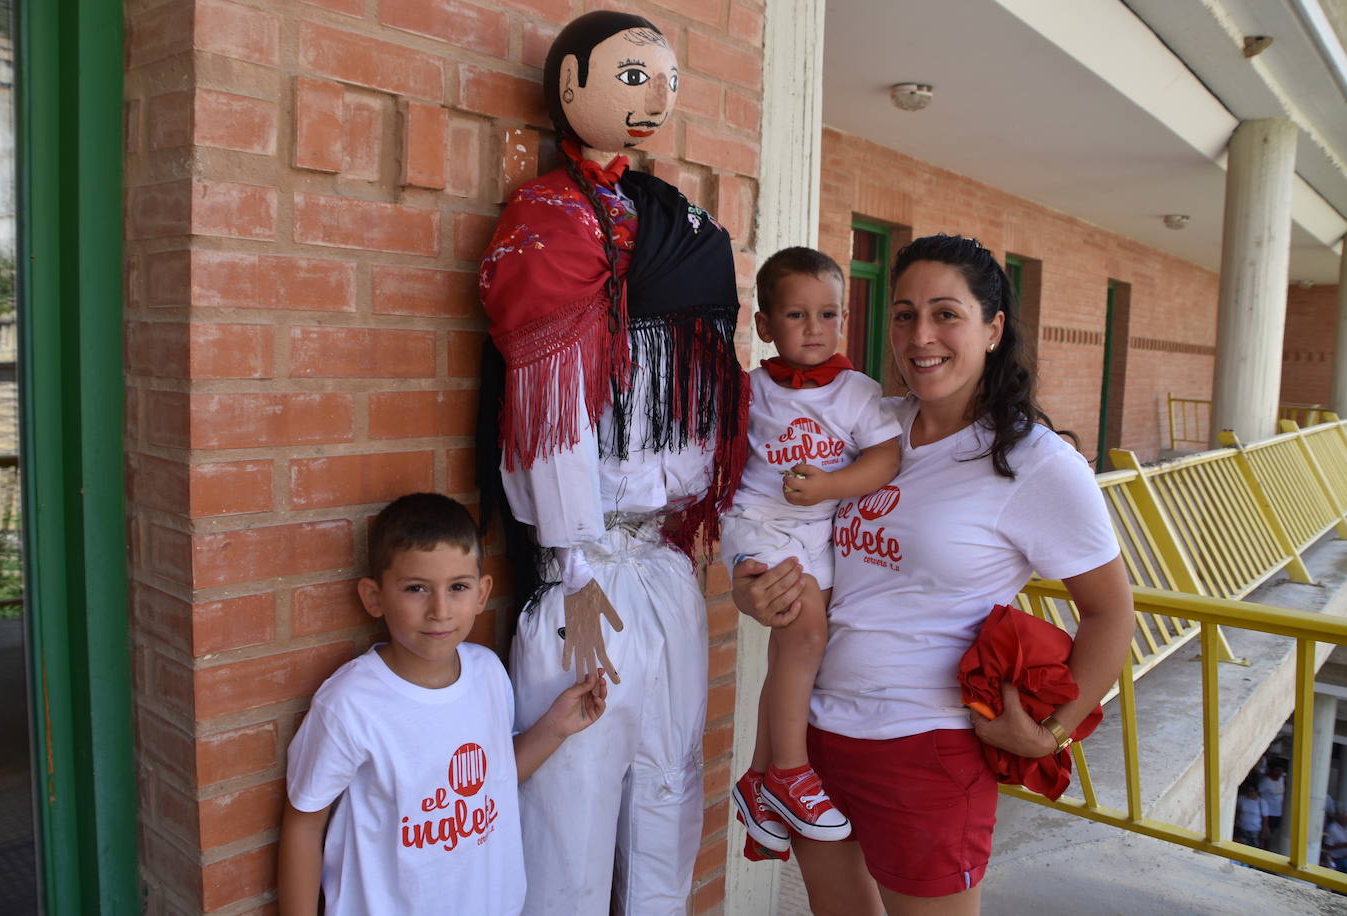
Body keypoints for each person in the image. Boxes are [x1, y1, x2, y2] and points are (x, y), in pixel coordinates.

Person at [733, 234, 1135, 914]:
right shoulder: (869, 429)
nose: (922, 335)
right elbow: (780, 520)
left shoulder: (1035, 462)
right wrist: (753, 586)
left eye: (946, 313)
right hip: (817, 736)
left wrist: (1051, 732)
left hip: (926, 750)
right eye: (904, 313)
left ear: (993, 328)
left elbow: (1111, 612)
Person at [476, 11, 747, 914]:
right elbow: (545, 412)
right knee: (571, 801)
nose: (654, 97)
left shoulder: (672, 218)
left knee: (668, 786)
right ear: (569, 86)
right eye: (633, 76)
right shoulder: (546, 221)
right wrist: (575, 560)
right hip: (583, 574)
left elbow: (713, 394)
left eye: (665, 81)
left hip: (666, 566)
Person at [276, 493, 607, 915]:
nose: (440, 610)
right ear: (374, 597)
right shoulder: (350, 703)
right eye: (416, 589)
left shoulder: (487, 673)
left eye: (458, 588)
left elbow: (495, 778)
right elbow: (304, 822)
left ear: (482, 593)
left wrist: (555, 727)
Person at [723, 247, 901, 855]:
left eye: (829, 315)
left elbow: (884, 457)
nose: (816, 329)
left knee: (796, 654)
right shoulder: (752, 390)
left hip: (818, 531)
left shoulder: (857, 391)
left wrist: (830, 486)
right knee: (805, 639)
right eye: (797, 316)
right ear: (765, 325)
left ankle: (758, 779)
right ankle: (791, 774)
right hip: (761, 523)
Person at [1234, 782, 1269, 848]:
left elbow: (1265, 818)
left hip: (1255, 830)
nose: (1249, 793)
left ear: (1256, 791)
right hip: (1242, 828)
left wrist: (1264, 830)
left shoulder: (1262, 802)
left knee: (1254, 847)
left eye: (1252, 791)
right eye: (1248, 791)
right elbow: (1237, 811)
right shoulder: (1241, 799)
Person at [1258, 762, 1286, 836]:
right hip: (1268, 813)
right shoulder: (1266, 781)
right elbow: (1259, 793)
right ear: (1272, 770)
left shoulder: (1281, 779)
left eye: (1281, 771)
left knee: (1273, 833)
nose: (1279, 773)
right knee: (1264, 834)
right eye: (1277, 770)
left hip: (1278, 812)